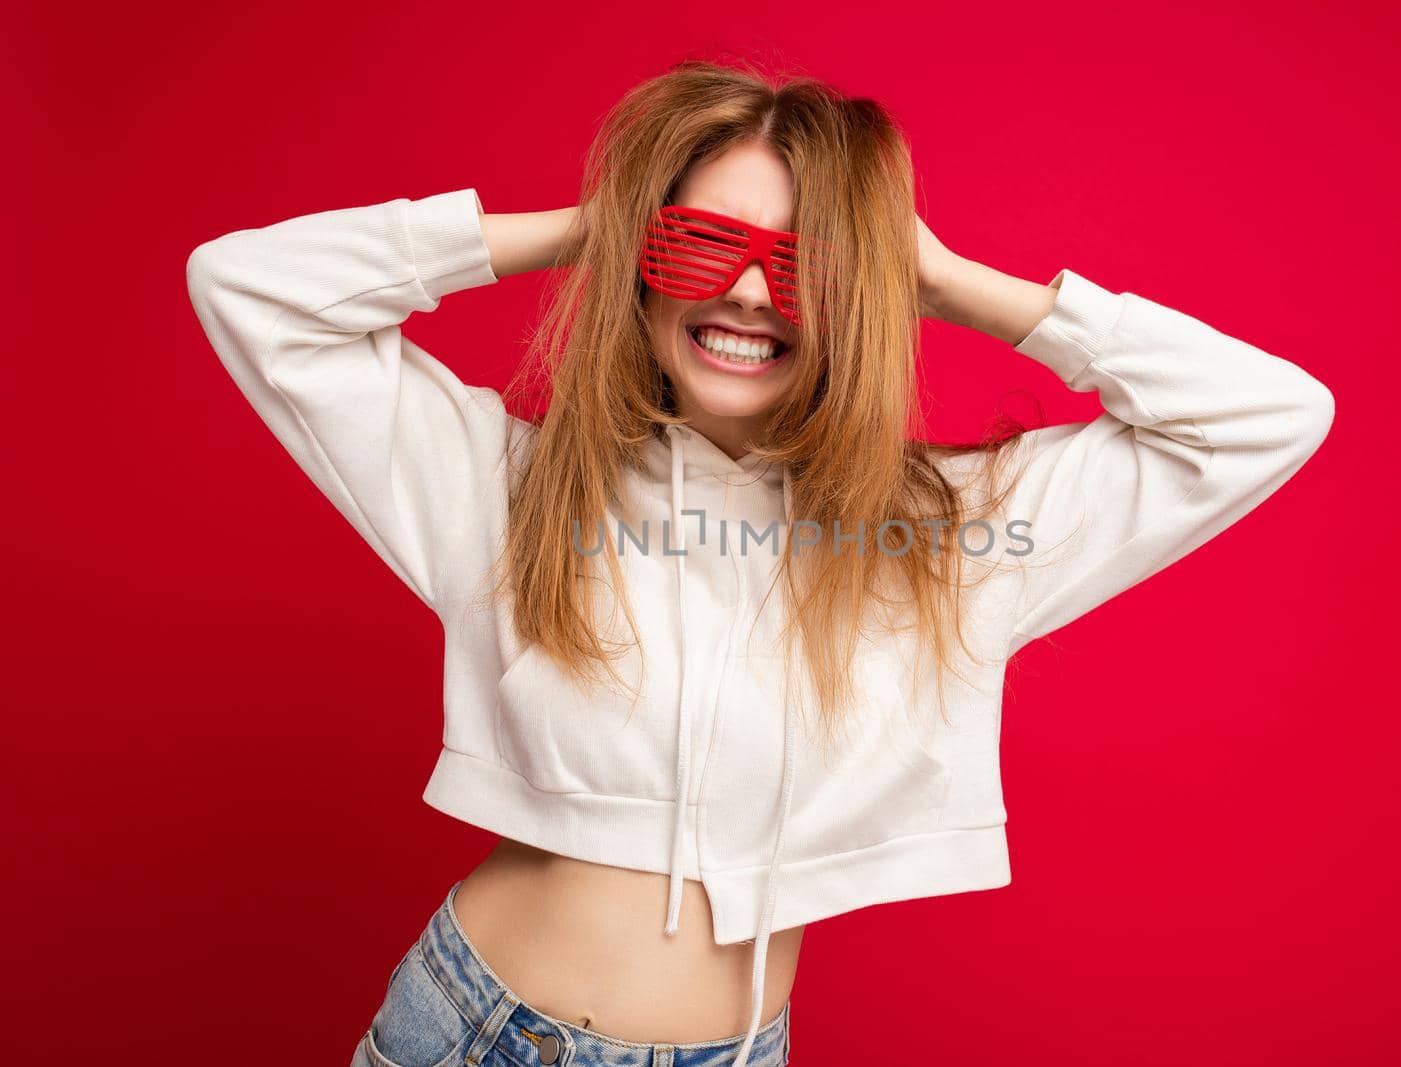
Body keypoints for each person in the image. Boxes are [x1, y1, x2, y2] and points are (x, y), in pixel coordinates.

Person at [185, 58, 1334, 1067]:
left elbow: (1270, 414)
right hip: (485, 1032)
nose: (744, 291)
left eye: (807, 268)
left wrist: (941, 282)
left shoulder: (955, 536)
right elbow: (250, 289)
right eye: (701, 244)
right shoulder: (503, 486)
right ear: (641, 266)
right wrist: (583, 227)